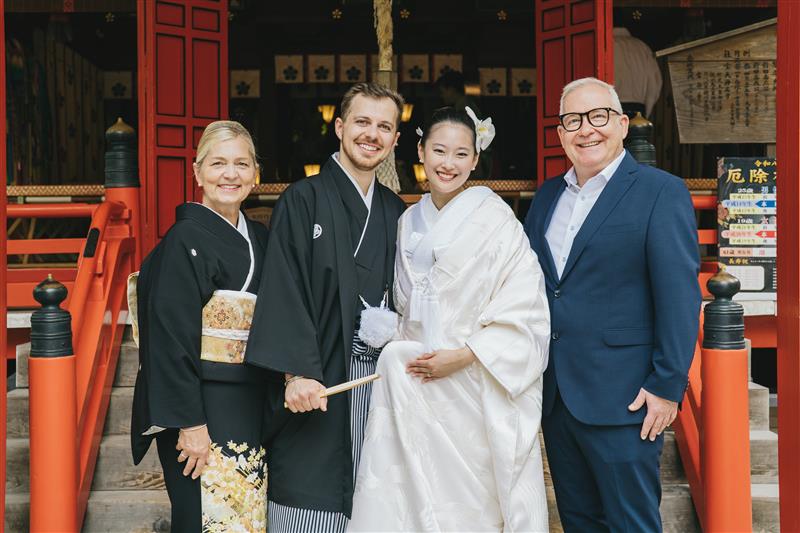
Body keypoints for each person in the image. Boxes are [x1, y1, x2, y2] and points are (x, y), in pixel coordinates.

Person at [348, 107, 551, 532]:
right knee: (417, 495)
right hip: (419, 382)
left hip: (474, 379)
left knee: (473, 503)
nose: (448, 163)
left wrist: (465, 355)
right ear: (420, 151)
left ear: (475, 160)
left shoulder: (497, 220)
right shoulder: (407, 221)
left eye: (461, 154)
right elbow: (404, 306)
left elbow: (526, 304)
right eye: (438, 150)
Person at [523, 77, 701, 532]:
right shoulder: (546, 198)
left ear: (622, 124)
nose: (587, 129)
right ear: (561, 134)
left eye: (598, 116)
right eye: (573, 121)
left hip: (626, 398)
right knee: (580, 522)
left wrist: (667, 384)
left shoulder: (659, 191)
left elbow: (679, 295)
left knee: (631, 523)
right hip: (558, 396)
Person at [244, 82, 407, 531]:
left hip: (378, 380)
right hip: (318, 379)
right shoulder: (303, 199)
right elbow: (284, 286)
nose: (371, 134)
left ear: (395, 139)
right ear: (339, 127)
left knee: (377, 497)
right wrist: (295, 371)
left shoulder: (396, 211)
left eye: (384, 126)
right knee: (310, 496)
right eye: (362, 122)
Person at [130, 120, 269, 532]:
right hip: (198, 406)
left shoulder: (259, 238)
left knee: (243, 517)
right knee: (204, 518)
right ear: (197, 172)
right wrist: (189, 424)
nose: (231, 174)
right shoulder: (182, 241)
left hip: (245, 400)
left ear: (255, 173)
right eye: (218, 163)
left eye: (242, 164)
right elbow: (168, 340)